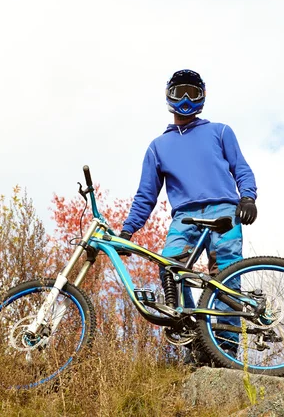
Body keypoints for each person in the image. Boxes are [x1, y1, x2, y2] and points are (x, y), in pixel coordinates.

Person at [119, 69, 257, 361]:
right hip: (185, 216)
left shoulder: (220, 131)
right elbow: (146, 195)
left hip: (224, 211)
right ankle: (190, 332)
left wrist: (248, 196)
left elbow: (241, 168)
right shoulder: (158, 147)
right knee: (169, 266)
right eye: (180, 91)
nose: (185, 98)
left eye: (192, 93)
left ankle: (225, 349)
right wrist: (128, 230)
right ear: (169, 95)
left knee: (226, 276)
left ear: (202, 97)